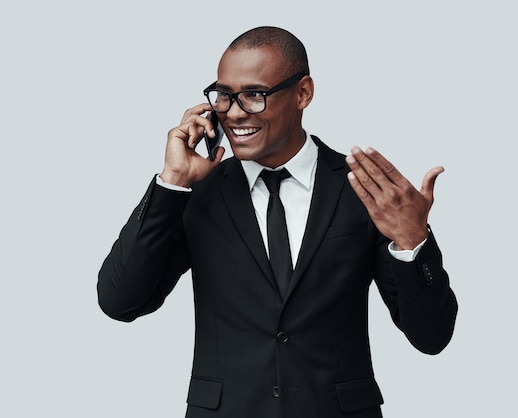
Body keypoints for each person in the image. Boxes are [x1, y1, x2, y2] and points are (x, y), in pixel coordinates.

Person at [98, 26, 457, 418]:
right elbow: (120, 301)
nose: (234, 112)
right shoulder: (199, 194)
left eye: (254, 95)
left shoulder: (363, 191)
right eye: (224, 95)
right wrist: (171, 182)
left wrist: (412, 242)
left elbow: (431, 337)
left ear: (303, 93)